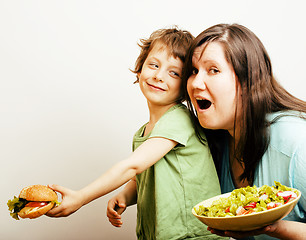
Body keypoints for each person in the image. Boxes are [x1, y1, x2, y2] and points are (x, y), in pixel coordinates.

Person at [47, 27, 223, 240]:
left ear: (186, 85)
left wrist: (81, 197)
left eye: (174, 73)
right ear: (140, 69)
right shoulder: (144, 133)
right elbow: (143, 175)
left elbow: (133, 166)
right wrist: (125, 195)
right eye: (154, 65)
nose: (159, 76)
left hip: (195, 236)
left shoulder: (179, 120)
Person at [183, 23, 306, 240]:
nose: (195, 83)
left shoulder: (296, 141)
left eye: (213, 70)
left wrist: (277, 228)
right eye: (194, 71)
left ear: (248, 81)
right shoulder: (217, 141)